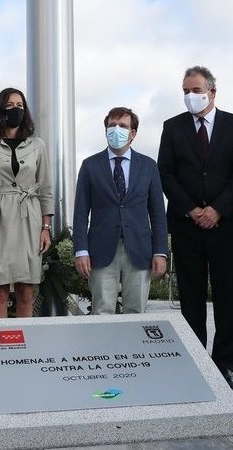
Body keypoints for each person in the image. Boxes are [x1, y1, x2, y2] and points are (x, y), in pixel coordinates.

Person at [157, 66, 233, 389]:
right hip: (187, 225)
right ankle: (195, 360)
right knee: (191, 297)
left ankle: (224, 364)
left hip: (226, 225)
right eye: (185, 90)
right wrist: (194, 209)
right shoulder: (172, 127)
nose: (189, 96)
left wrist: (217, 210)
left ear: (212, 91)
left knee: (227, 297)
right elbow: (166, 173)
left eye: (195, 90)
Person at [73, 107, 168, 314]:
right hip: (101, 249)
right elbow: (80, 213)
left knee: (136, 312)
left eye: (123, 126)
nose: (116, 130)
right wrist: (81, 250)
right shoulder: (90, 166)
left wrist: (160, 251)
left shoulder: (148, 166)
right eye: (111, 126)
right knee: (101, 311)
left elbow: (158, 213)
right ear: (105, 130)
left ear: (133, 133)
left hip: (140, 249)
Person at [0, 87, 54, 318]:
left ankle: (23, 350)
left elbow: (45, 188)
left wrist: (46, 228)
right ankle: (2, 351)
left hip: (30, 218)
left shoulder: (38, 145)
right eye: (9, 105)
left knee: (27, 291)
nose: (16, 109)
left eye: (20, 105)